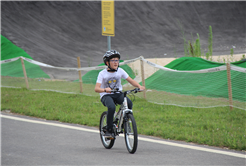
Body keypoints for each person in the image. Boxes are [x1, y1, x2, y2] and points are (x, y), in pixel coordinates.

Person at [95, 50, 145, 138]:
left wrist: (139, 86)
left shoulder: (120, 71)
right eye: (113, 60)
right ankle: (109, 130)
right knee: (111, 107)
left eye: (117, 60)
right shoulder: (102, 74)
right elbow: (96, 89)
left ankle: (126, 123)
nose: (116, 62)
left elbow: (131, 80)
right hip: (106, 95)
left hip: (117, 93)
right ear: (107, 62)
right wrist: (105, 90)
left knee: (129, 103)